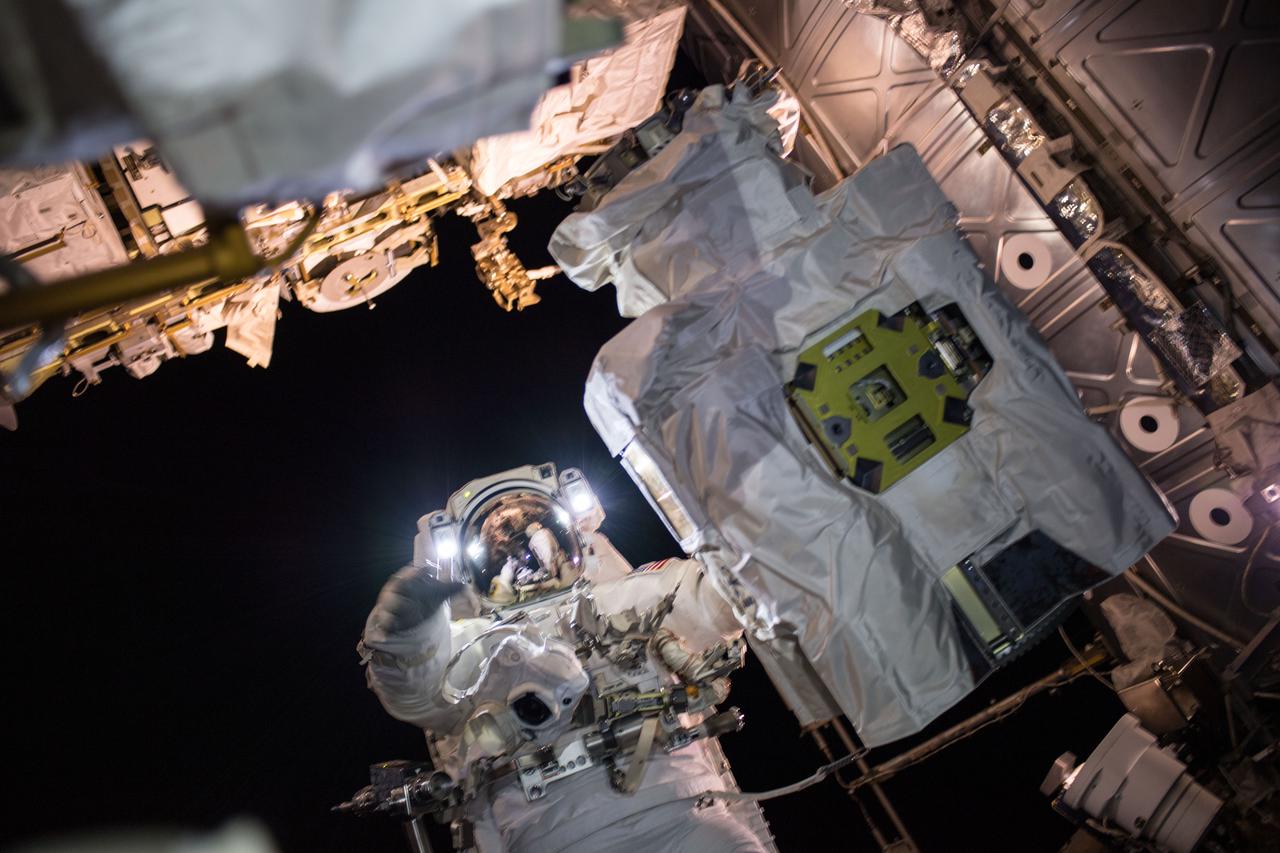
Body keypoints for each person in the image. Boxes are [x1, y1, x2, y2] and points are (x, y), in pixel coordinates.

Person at [358, 465, 776, 853]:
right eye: (503, 543)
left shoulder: (627, 597)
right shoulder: (477, 642)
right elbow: (417, 687)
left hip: (683, 812)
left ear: (569, 534)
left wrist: (754, 543)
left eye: (533, 528)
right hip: (557, 834)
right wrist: (408, 636)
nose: (522, 553)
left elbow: (716, 598)